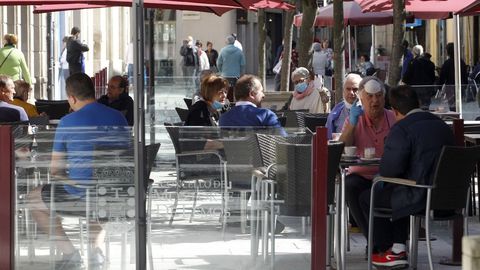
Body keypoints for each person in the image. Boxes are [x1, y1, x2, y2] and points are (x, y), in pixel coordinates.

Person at [28, 73, 129, 269]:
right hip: (115, 193)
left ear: (72, 98)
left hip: (82, 196)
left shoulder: (67, 122)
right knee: (96, 193)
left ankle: (70, 254)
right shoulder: (119, 117)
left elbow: (55, 170)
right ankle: (95, 253)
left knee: (34, 199)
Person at [359, 85, 455, 267]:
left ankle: (391, 250)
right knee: (397, 189)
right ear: (417, 103)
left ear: (395, 111)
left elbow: (388, 171)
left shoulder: (401, 129)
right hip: (449, 199)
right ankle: (398, 246)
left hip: (420, 197)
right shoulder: (443, 126)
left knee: (368, 196)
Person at [339, 76, 396, 244]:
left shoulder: (393, 118)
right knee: (350, 186)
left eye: (378, 96)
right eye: (369, 97)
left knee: (370, 196)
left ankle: (378, 243)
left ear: (384, 98)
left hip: (388, 176)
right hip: (362, 175)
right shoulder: (354, 119)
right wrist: (352, 125)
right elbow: (342, 147)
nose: (374, 100)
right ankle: (375, 242)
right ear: (361, 100)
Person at [325, 73, 362, 139]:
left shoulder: (367, 110)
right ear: (343, 91)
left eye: (355, 89)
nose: (351, 92)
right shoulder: (337, 111)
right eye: (348, 89)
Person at [402, 45, 436, 110]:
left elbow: (406, 77)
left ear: (414, 53)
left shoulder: (412, 63)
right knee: (426, 108)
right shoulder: (430, 63)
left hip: (415, 90)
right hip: (427, 90)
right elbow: (433, 78)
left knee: (416, 107)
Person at [437, 42, 468, 111]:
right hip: (460, 86)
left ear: (448, 52)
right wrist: (465, 85)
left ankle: (454, 117)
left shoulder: (447, 63)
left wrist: (439, 86)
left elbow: (442, 76)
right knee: (458, 104)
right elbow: (465, 75)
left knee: (452, 105)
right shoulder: (461, 62)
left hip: (450, 86)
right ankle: (457, 116)